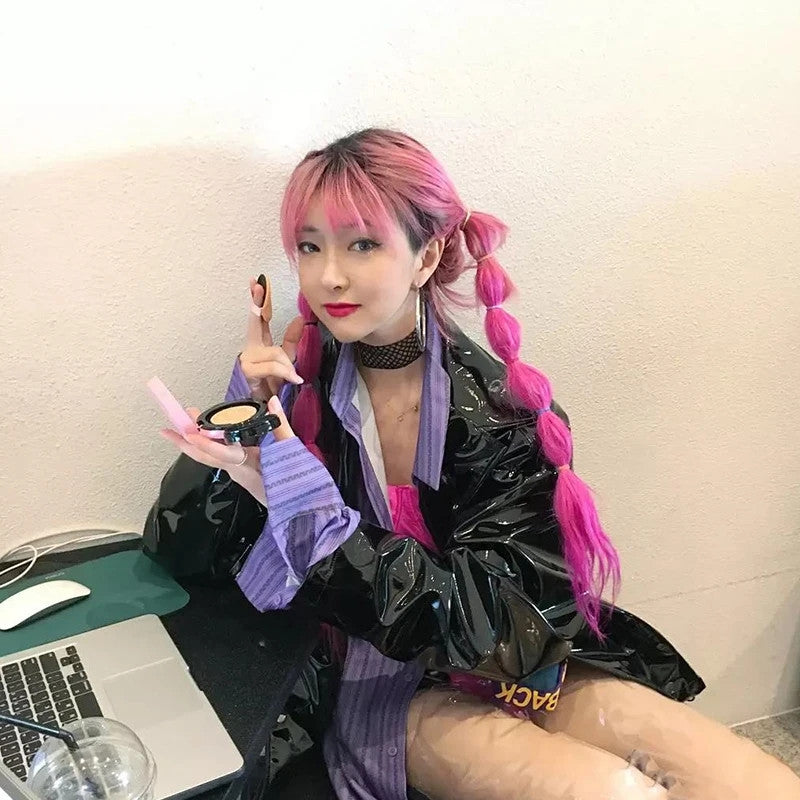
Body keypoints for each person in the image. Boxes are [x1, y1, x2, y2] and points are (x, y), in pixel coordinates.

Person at [145, 128, 799, 800]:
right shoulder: (297, 383)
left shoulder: (501, 412)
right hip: (383, 680)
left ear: (426, 255)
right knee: (610, 792)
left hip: (516, 659)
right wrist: (245, 415)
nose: (328, 275)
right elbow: (181, 553)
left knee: (746, 780)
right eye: (310, 247)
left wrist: (317, 519)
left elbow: (503, 626)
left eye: (362, 244)